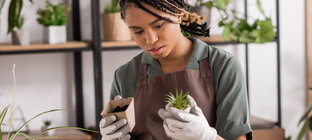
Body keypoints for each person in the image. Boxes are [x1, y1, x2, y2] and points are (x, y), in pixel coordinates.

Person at [98, 0, 252, 140]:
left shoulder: (223, 66)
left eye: (158, 25)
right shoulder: (125, 75)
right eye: (138, 32)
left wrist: (207, 137)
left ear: (178, 14)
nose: (150, 40)